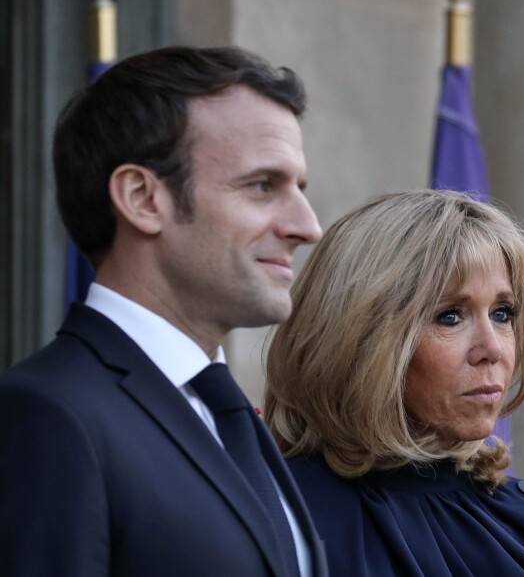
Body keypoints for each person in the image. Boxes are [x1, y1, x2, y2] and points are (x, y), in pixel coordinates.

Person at [0, 46, 328, 577]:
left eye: (299, 188)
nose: (307, 226)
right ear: (142, 198)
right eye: (263, 185)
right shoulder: (48, 415)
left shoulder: (232, 416)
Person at [265, 190, 524, 576]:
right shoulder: (273, 513)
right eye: (450, 316)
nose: (492, 349)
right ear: (360, 338)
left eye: (502, 312)